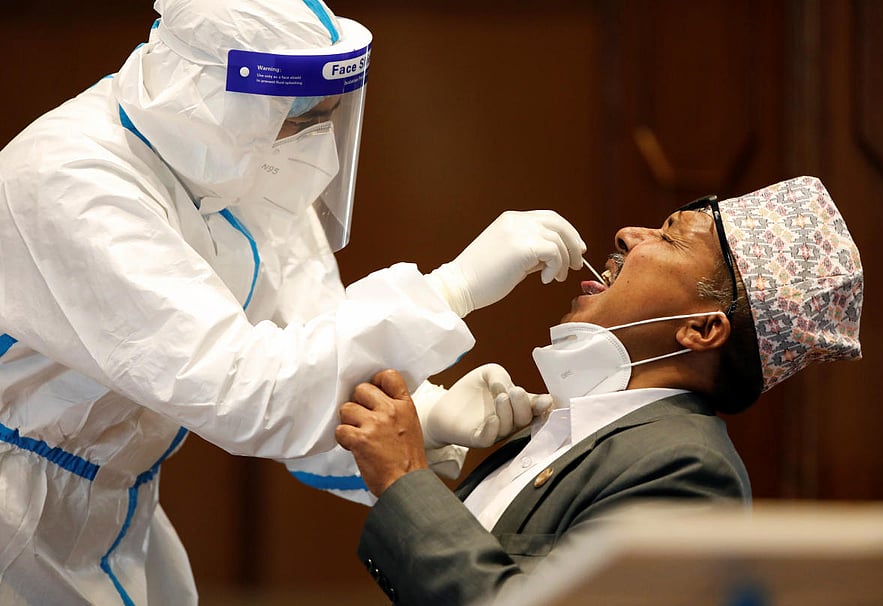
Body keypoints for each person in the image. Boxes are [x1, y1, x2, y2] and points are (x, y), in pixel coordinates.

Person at [0, 1, 587, 604]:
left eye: (325, 117)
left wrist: (423, 417)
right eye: (294, 116)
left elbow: (311, 336)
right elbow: (244, 387)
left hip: (112, 503)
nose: (308, 143)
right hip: (17, 519)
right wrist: (452, 288)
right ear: (207, 93)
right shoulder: (73, 181)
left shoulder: (230, 156)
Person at [336, 176, 864, 605]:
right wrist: (430, 424)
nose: (628, 235)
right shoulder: (571, 433)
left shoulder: (690, 470)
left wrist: (408, 478)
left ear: (702, 330)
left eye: (670, 237)